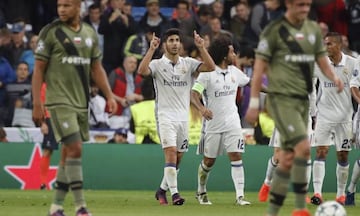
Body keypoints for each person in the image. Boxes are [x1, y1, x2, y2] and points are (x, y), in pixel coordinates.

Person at [245, 0, 343, 215]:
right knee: (282, 157)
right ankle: (267, 183)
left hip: (305, 110)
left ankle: (301, 203)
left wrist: (334, 77)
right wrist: (253, 103)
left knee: (304, 153)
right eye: (301, 4)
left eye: (308, 5)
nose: (305, 8)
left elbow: (322, 62)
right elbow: (260, 66)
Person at [32, 0, 117, 216]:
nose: (61, 9)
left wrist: (109, 95)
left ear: (79, 7)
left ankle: (56, 207)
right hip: (58, 100)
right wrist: (37, 103)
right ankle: (80, 206)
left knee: (68, 153)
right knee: (76, 147)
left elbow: (96, 68)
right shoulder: (50, 32)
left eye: (67, 5)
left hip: (81, 102)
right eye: (59, 5)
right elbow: (39, 69)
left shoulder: (89, 33)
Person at [137, 28, 215, 205]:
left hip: (183, 117)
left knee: (178, 157)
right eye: (171, 40)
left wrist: (202, 47)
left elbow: (210, 67)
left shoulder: (187, 63)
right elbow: (142, 71)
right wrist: (150, 50)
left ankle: (161, 190)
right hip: (165, 116)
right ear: (164, 44)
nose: (174, 43)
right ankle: (175, 194)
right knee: (171, 154)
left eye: (177, 40)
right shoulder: (157, 64)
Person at [190, 34, 251, 205]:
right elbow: (194, 94)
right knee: (209, 161)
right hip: (213, 125)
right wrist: (202, 108)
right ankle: (201, 190)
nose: (235, 56)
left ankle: (240, 197)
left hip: (232, 122)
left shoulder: (235, 72)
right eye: (232, 52)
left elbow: (251, 83)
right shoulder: (207, 74)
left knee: (236, 155)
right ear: (224, 54)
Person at [310, 32, 360, 206]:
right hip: (324, 117)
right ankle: (317, 193)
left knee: (343, 156)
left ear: (339, 45)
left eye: (329, 44)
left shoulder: (353, 63)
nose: (326, 47)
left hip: (345, 119)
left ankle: (340, 194)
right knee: (321, 152)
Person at [39, 83, 59, 190]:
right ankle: (43, 183)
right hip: (50, 119)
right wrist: (42, 122)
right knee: (48, 150)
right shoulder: (45, 85)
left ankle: (62, 182)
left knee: (69, 150)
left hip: (65, 119)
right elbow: (41, 104)